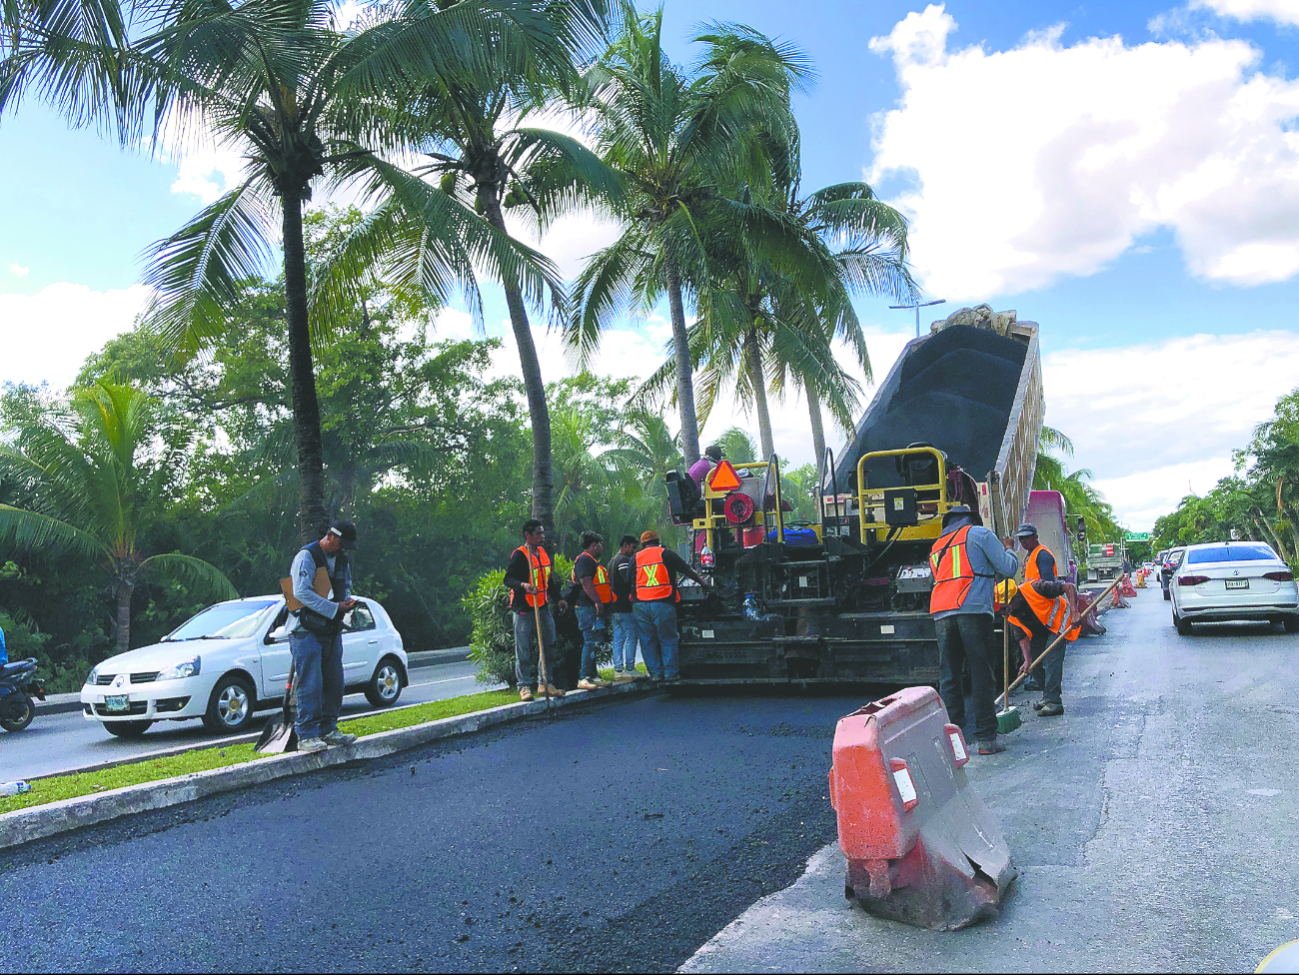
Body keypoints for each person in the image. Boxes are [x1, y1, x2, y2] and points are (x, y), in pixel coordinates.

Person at [929, 505, 1021, 755]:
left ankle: (954, 744)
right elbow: (1009, 568)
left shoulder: (938, 545)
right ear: (971, 520)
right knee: (982, 674)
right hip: (972, 610)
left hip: (941, 613)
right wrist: (1009, 548)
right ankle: (986, 739)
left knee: (950, 678)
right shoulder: (979, 534)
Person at [288, 520, 359, 753]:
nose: (344, 550)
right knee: (311, 683)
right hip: (305, 630)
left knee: (334, 681)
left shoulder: (342, 559)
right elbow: (300, 592)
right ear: (331, 536)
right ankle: (306, 735)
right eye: (342, 544)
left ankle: (329, 729)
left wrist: (346, 601)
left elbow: (346, 585)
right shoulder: (306, 556)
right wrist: (334, 608)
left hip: (331, 629)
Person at [632, 530, 709, 682]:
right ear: (657, 540)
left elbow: (629, 580)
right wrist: (703, 583)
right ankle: (670, 673)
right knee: (667, 638)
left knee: (647, 640)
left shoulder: (635, 558)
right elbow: (687, 570)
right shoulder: (666, 554)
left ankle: (655, 674)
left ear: (642, 544)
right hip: (663, 602)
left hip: (640, 604)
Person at [504, 519, 568, 702]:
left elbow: (548, 581)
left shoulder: (543, 554)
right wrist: (523, 585)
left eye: (542, 533)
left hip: (542, 606)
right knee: (524, 648)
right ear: (528, 535)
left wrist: (559, 599)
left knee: (549, 644)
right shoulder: (519, 555)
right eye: (538, 534)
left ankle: (545, 683)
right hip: (524, 608)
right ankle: (524, 686)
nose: (542, 537)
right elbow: (508, 579)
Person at [1005, 577, 1080, 717]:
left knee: (1052, 659)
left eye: (1007, 605)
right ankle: (1047, 696)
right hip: (1041, 629)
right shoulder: (1010, 612)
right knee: (1034, 664)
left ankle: (1054, 702)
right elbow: (1021, 636)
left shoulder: (1036, 587)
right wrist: (1028, 661)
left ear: (1016, 598)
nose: (1006, 610)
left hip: (1059, 620)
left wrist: (1075, 612)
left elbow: (1069, 587)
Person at [1014, 523, 1056, 691]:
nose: (1023, 542)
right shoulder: (1031, 555)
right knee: (1037, 652)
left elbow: (1048, 584)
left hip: (1043, 611)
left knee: (1043, 653)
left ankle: (1047, 689)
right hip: (1034, 611)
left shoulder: (1042, 555)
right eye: (1021, 539)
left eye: (1026, 538)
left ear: (1035, 537)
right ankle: (1043, 685)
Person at [572, 530, 614, 690]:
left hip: (591, 607)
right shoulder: (584, 560)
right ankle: (584, 677)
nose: (601, 547)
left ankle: (593, 675)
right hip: (586, 607)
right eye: (599, 544)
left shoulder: (591, 561)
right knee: (589, 641)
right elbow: (586, 582)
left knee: (594, 642)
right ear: (594, 545)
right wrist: (597, 601)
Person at [607, 535, 644, 682]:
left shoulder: (612, 561)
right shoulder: (623, 560)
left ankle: (618, 669)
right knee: (631, 635)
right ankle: (629, 668)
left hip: (614, 606)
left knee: (618, 638)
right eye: (633, 548)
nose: (633, 552)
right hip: (624, 605)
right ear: (626, 545)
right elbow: (627, 580)